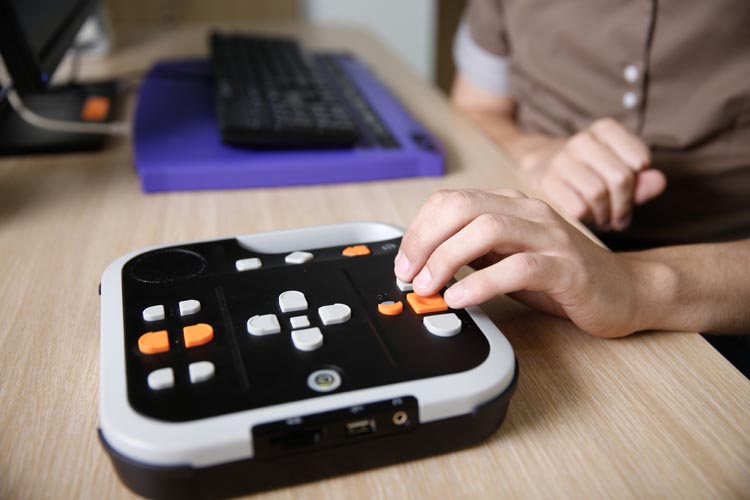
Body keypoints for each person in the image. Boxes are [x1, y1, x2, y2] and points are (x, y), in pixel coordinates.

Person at [395, 2, 750, 344]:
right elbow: (476, 108)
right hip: (540, 231)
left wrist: (637, 283)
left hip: (723, 288)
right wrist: (534, 151)